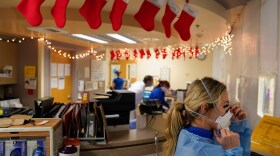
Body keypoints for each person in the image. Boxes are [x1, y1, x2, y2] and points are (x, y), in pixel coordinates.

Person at [163, 77, 251, 156]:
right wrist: (233, 151)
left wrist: (239, 129)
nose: (229, 112)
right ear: (204, 108)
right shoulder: (196, 151)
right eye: (225, 106)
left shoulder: (206, 134)